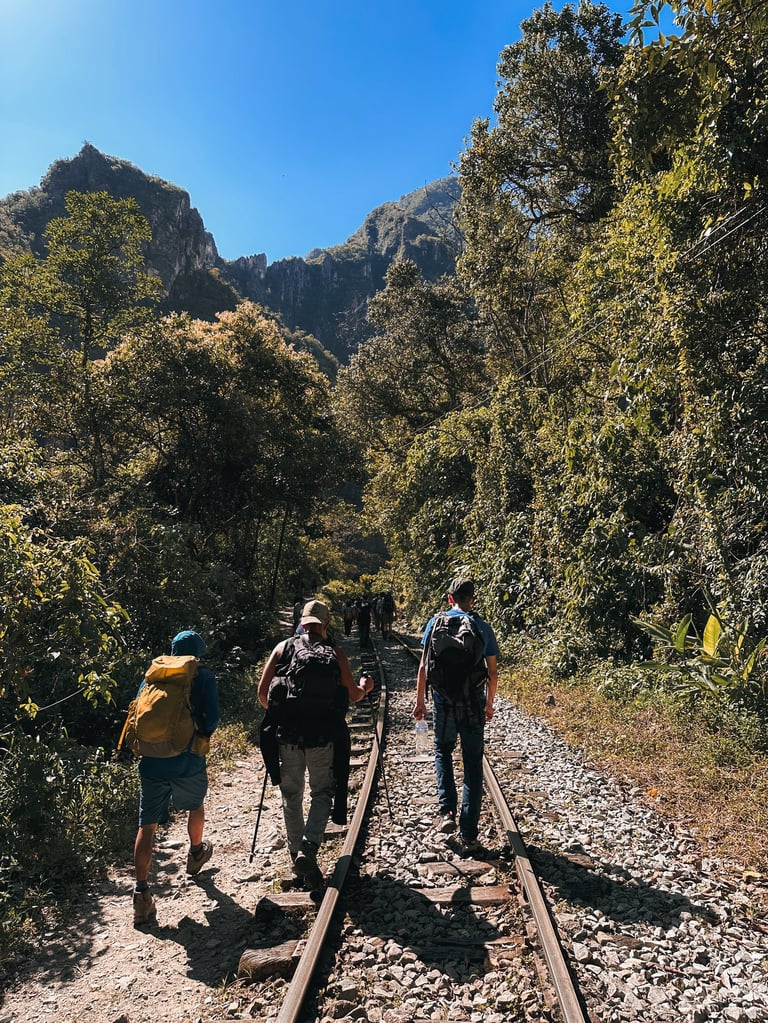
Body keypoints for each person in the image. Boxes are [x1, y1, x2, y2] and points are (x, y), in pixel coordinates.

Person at [258, 600, 374, 889]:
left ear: (302, 621)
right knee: (322, 792)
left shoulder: (282, 649)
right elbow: (354, 695)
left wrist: (283, 716)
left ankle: (296, 855)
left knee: (291, 795)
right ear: (325, 624)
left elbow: (263, 694)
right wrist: (366, 686)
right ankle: (309, 849)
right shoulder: (335, 653)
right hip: (322, 737)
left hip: (288, 738)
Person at [132, 630, 219, 926]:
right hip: (186, 759)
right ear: (197, 653)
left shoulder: (153, 675)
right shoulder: (201, 675)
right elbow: (212, 717)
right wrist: (200, 736)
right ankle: (196, 853)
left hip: (151, 762)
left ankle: (141, 896)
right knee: (195, 805)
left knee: (147, 824)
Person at [413, 578, 499, 855]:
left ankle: (447, 813)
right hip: (473, 700)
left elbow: (424, 667)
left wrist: (420, 703)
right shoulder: (482, 627)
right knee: (473, 762)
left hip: (443, 700)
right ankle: (469, 832)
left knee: (442, 751)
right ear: (472, 599)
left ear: (450, 598)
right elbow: (493, 672)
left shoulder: (435, 623)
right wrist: (489, 704)